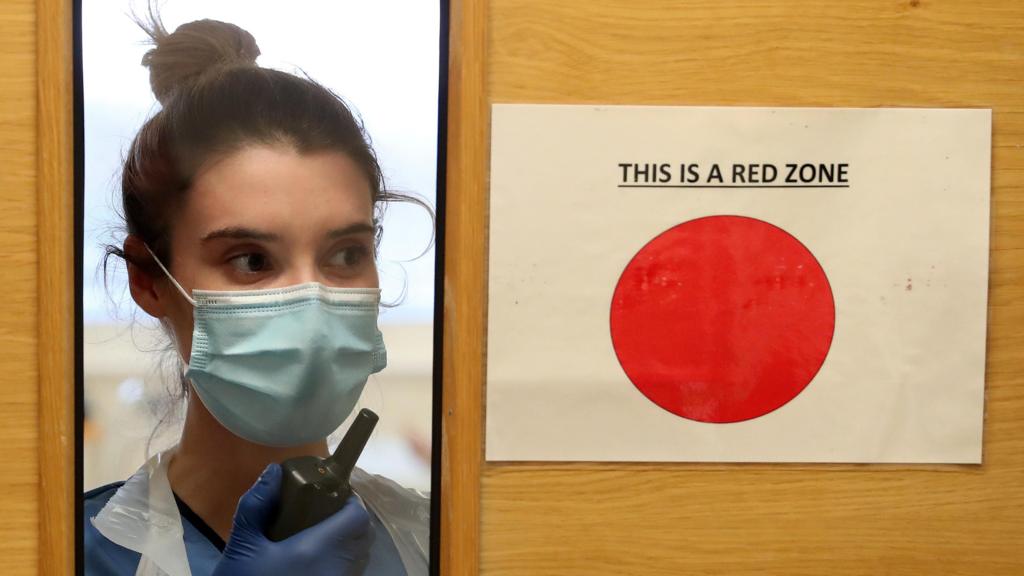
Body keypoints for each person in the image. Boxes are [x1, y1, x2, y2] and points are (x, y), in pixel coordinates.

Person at [83, 11, 431, 576]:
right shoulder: (66, 550)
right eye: (251, 260)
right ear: (147, 279)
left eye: (346, 254)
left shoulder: (435, 540)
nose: (312, 304)